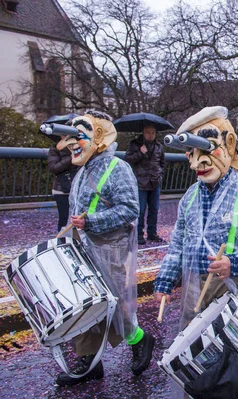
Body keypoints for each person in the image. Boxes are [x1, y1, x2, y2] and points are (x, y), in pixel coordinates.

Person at [153, 106, 238, 338]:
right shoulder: (190, 196)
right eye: (190, 154)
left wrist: (234, 263)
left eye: (206, 150)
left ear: (230, 144)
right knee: (201, 358)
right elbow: (178, 244)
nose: (195, 164)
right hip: (196, 288)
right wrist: (165, 281)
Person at [52, 110, 154, 386]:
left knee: (114, 304)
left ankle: (140, 340)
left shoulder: (117, 168)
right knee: (83, 304)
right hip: (83, 247)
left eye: (79, 136)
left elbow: (130, 208)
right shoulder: (82, 170)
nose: (73, 143)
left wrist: (92, 222)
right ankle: (89, 360)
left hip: (110, 247)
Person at [125, 123, 166, 245]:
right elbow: (128, 159)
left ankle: (152, 233)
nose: (151, 135)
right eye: (148, 132)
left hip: (154, 182)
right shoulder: (135, 144)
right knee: (140, 210)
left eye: (153, 133)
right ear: (143, 132)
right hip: (140, 182)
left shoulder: (159, 146)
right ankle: (138, 234)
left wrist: (160, 174)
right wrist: (140, 153)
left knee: (154, 209)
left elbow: (162, 162)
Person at [48, 141, 79, 231]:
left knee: (78, 219)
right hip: (62, 189)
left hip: (77, 188)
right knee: (64, 219)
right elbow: (54, 167)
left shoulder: (79, 146)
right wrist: (71, 157)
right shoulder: (55, 149)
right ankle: (62, 241)